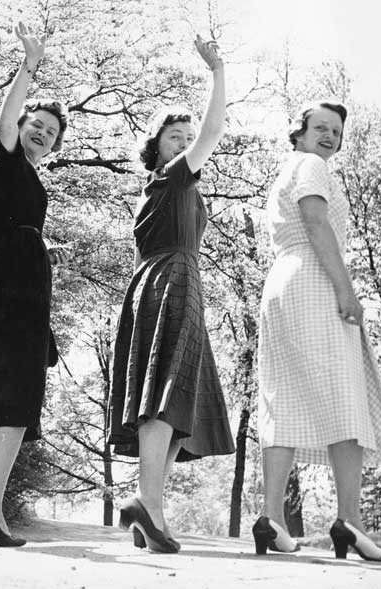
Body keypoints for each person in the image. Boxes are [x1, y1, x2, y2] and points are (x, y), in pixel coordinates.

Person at [254, 101, 381, 561]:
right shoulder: (312, 165)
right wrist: (346, 291)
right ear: (299, 132)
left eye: (336, 131)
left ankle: (271, 520)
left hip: (280, 284)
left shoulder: (285, 170)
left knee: (284, 397)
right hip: (314, 278)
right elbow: (316, 222)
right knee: (345, 395)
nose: (329, 136)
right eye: (320, 127)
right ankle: (350, 522)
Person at [107, 36, 234, 553]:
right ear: (156, 146)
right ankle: (146, 503)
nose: (185, 142)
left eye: (186, 136)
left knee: (182, 401)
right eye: (174, 136)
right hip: (172, 281)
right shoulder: (174, 180)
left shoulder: (168, 188)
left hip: (173, 282)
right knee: (166, 395)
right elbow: (214, 132)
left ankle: (148, 511)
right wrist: (218, 72)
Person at [0, 21, 68, 548]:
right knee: (14, 396)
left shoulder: (33, 177)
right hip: (7, 287)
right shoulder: (7, 163)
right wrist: (29, 67)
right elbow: (6, 117)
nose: (41, 133)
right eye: (37, 125)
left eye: (51, 133)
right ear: (23, 124)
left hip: (27, 295)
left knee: (21, 400)